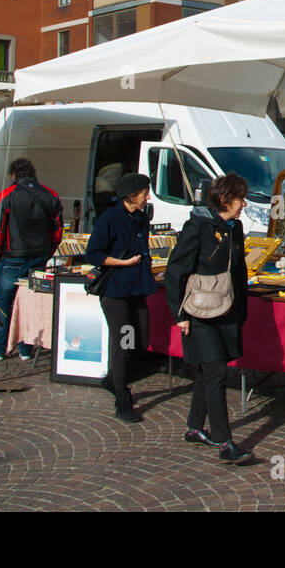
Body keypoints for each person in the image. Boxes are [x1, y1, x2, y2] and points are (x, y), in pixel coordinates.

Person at [166, 174, 254, 465]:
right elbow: (176, 270)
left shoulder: (235, 227)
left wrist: (241, 309)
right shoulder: (198, 227)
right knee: (216, 372)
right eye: (240, 198)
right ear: (225, 199)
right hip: (198, 311)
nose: (244, 204)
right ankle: (224, 440)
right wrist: (179, 313)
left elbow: (238, 270)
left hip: (226, 309)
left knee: (207, 371)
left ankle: (193, 427)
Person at [85, 173, 155, 423]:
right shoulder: (110, 219)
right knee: (124, 344)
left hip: (138, 288)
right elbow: (93, 253)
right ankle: (122, 398)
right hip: (116, 292)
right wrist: (124, 262)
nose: (147, 196)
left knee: (142, 340)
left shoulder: (141, 218)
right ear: (131, 195)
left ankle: (112, 379)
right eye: (144, 192)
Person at [0, 158, 63, 362]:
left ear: (13, 175)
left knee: (4, 303)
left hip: (13, 256)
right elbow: (57, 229)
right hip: (39, 255)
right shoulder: (50, 195)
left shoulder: (7, 195)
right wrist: (49, 250)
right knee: (31, 302)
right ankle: (26, 348)